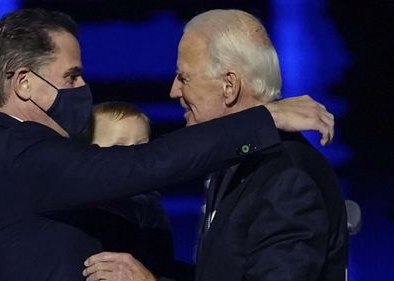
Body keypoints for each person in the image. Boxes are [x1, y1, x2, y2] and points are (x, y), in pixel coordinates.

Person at [0, 8, 335, 281]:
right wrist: (266, 118)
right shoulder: (18, 153)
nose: (83, 89)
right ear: (24, 83)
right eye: (72, 76)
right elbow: (146, 163)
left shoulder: (285, 175)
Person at [83, 9, 348, 281]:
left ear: (229, 86)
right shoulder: (242, 161)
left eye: (184, 78)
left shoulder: (287, 178)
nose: (173, 91)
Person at [80, 101, 188, 279]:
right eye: (120, 148)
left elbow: (161, 265)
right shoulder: (80, 203)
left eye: (141, 147)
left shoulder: (150, 208)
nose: (133, 157)